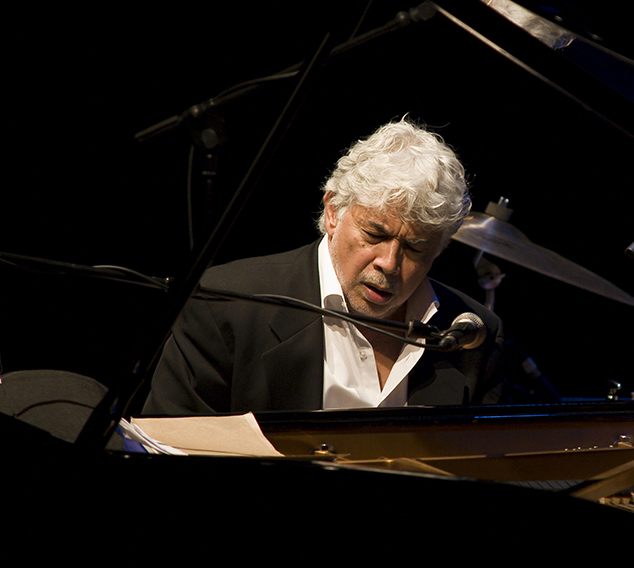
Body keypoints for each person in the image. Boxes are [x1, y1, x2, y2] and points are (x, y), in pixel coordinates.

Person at [142, 119, 503, 415]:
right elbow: (169, 449)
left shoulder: (473, 335)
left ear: (439, 249)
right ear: (333, 212)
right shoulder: (224, 304)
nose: (389, 263)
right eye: (374, 234)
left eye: (416, 248)